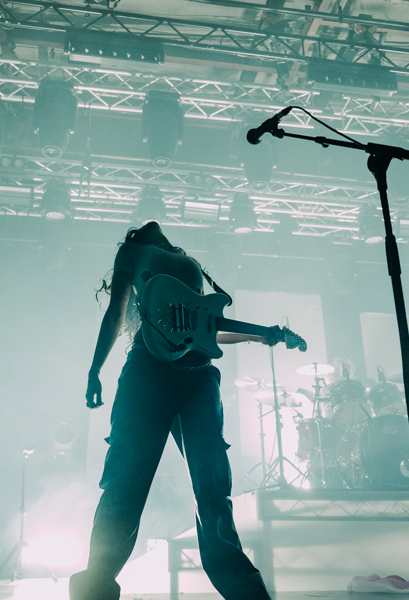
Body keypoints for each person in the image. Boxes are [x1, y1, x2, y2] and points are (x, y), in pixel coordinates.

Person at [69, 221, 277, 600]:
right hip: (149, 371)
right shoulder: (133, 252)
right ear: (137, 237)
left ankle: (247, 594)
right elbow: (116, 313)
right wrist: (95, 368)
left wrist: (258, 335)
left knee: (212, 492)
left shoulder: (191, 265)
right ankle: (95, 591)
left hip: (199, 376)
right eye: (144, 227)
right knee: (126, 484)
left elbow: (207, 329)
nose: (155, 223)